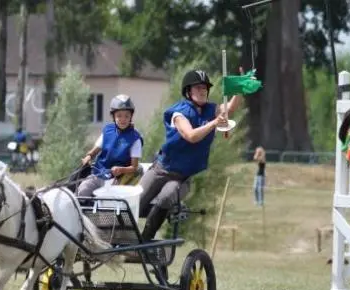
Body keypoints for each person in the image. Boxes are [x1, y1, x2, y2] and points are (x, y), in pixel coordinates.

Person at [138, 68, 247, 242]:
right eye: (198, 88)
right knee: (134, 202)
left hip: (182, 178)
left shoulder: (211, 110)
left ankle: (144, 241)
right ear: (188, 91)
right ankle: (115, 236)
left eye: (205, 88)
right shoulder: (179, 113)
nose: (203, 90)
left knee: (167, 196)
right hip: (160, 170)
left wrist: (240, 86)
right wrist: (214, 123)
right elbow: (191, 136)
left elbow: (230, 108)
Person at [76, 94, 144, 197]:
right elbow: (95, 150)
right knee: (82, 191)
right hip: (98, 173)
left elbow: (134, 167)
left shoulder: (135, 138)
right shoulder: (107, 130)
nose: (123, 119)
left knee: (107, 199)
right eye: (119, 116)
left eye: (127, 116)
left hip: (117, 178)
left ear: (131, 116)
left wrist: (121, 169)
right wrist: (89, 156)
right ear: (113, 116)